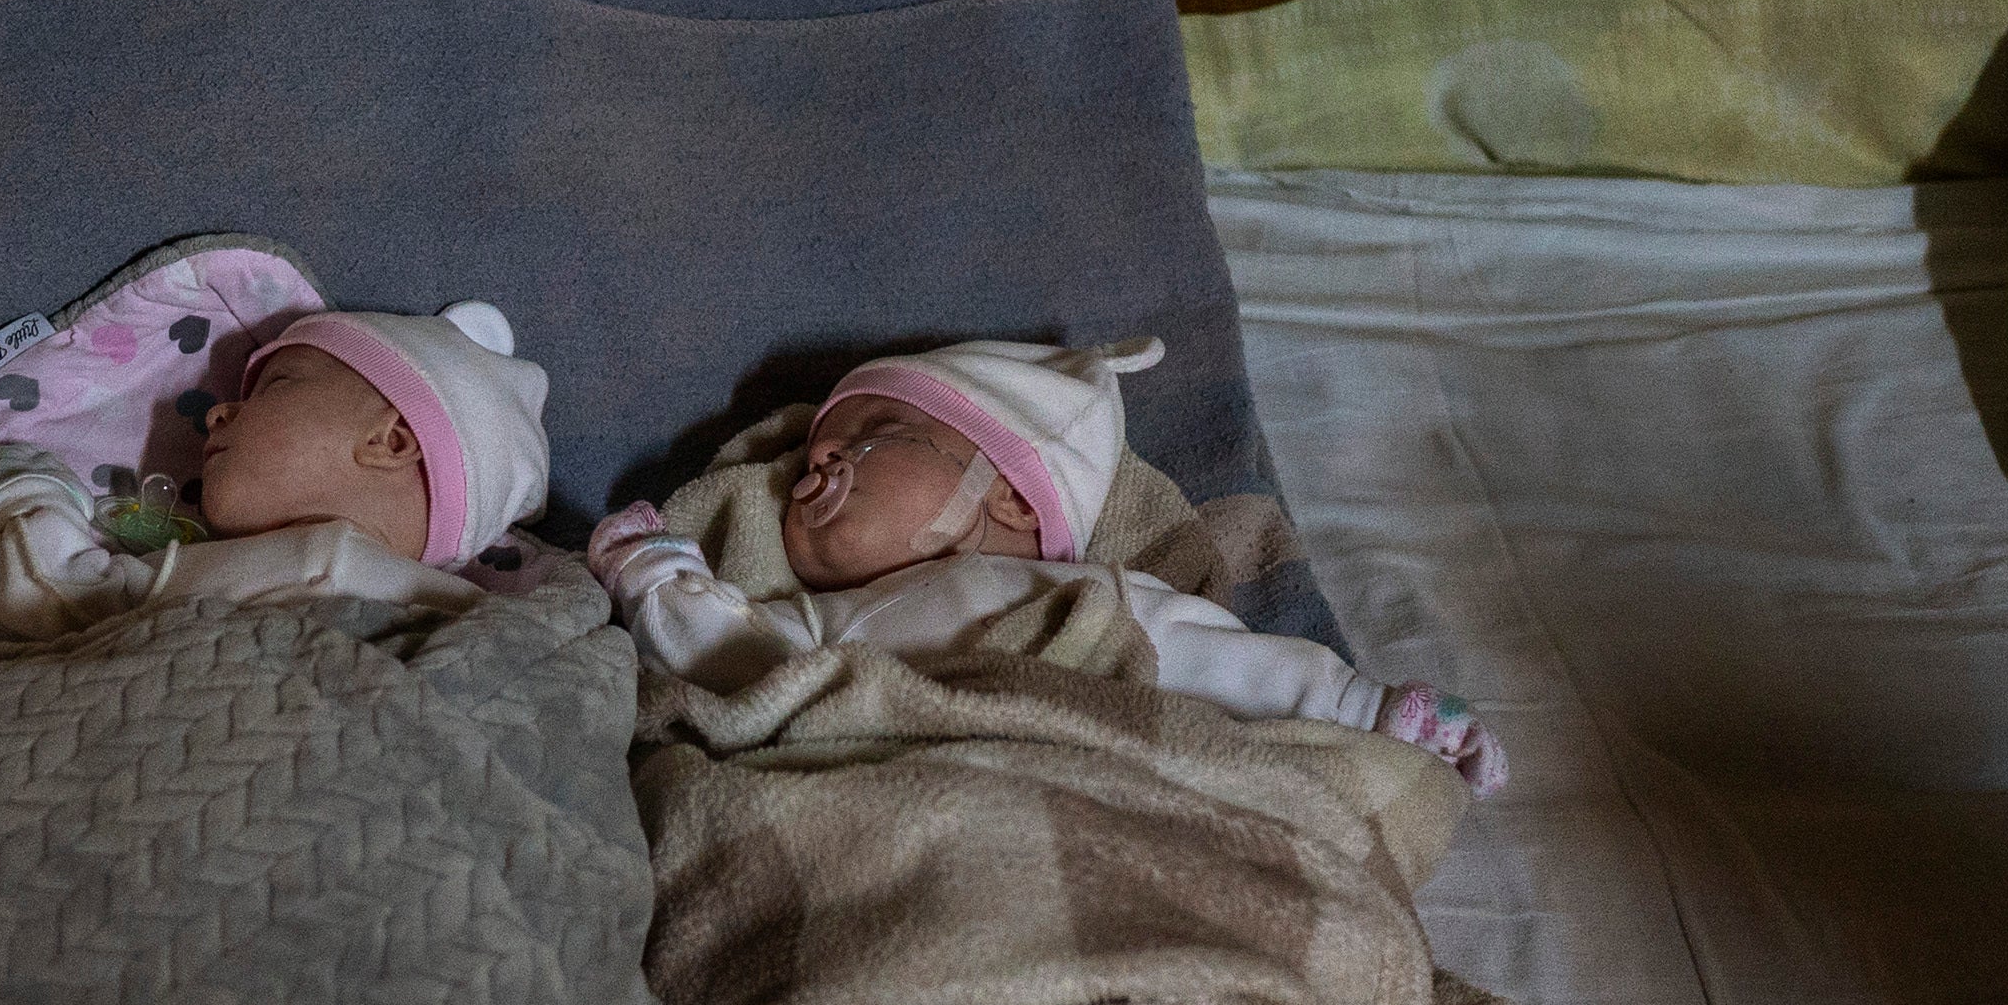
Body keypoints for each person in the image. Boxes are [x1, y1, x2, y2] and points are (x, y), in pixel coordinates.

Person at [590, 334, 1505, 787]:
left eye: (876, 437)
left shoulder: (1083, 597)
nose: (817, 460)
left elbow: (1220, 662)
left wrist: (1369, 712)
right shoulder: (821, 626)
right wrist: (654, 577)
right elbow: (728, 665)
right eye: (808, 458)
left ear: (1012, 498)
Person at [0, 301, 554, 643]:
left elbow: (47, 606)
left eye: (277, 386)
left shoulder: (307, 561)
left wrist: (22, 486)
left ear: (390, 440)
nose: (217, 411)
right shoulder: (489, 619)